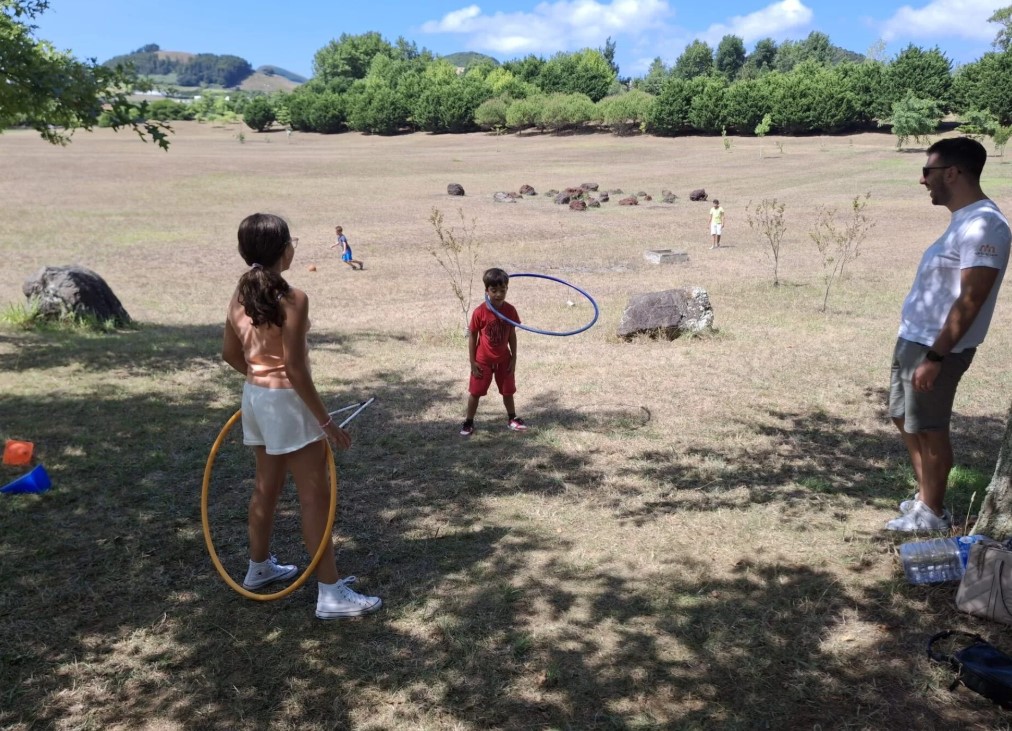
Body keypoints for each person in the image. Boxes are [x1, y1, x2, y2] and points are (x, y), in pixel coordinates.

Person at [222, 213, 382, 618]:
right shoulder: (293, 298)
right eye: (291, 240)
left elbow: (230, 355)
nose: (295, 245)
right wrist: (326, 423)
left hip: (254, 399)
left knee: (266, 488)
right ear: (281, 250)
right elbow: (294, 370)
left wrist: (260, 381)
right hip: (286, 402)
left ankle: (258, 569)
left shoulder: (239, 296)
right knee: (315, 497)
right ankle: (330, 595)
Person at [885, 137, 1011, 532]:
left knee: (930, 426)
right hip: (915, 337)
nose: (923, 181)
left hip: (937, 347)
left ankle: (933, 513)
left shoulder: (985, 224)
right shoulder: (963, 221)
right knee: (903, 417)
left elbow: (972, 298)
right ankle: (924, 499)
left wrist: (936, 357)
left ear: (953, 173)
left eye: (928, 171)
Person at [459, 268, 528, 437]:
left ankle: (512, 418)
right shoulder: (479, 312)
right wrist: (472, 362)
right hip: (482, 360)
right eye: (494, 290)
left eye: (502, 290)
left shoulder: (510, 310)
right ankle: (469, 422)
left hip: (504, 359)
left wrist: (514, 357)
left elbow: (512, 334)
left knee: (508, 391)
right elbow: (473, 336)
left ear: (507, 289)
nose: (498, 294)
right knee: (475, 392)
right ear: (486, 290)